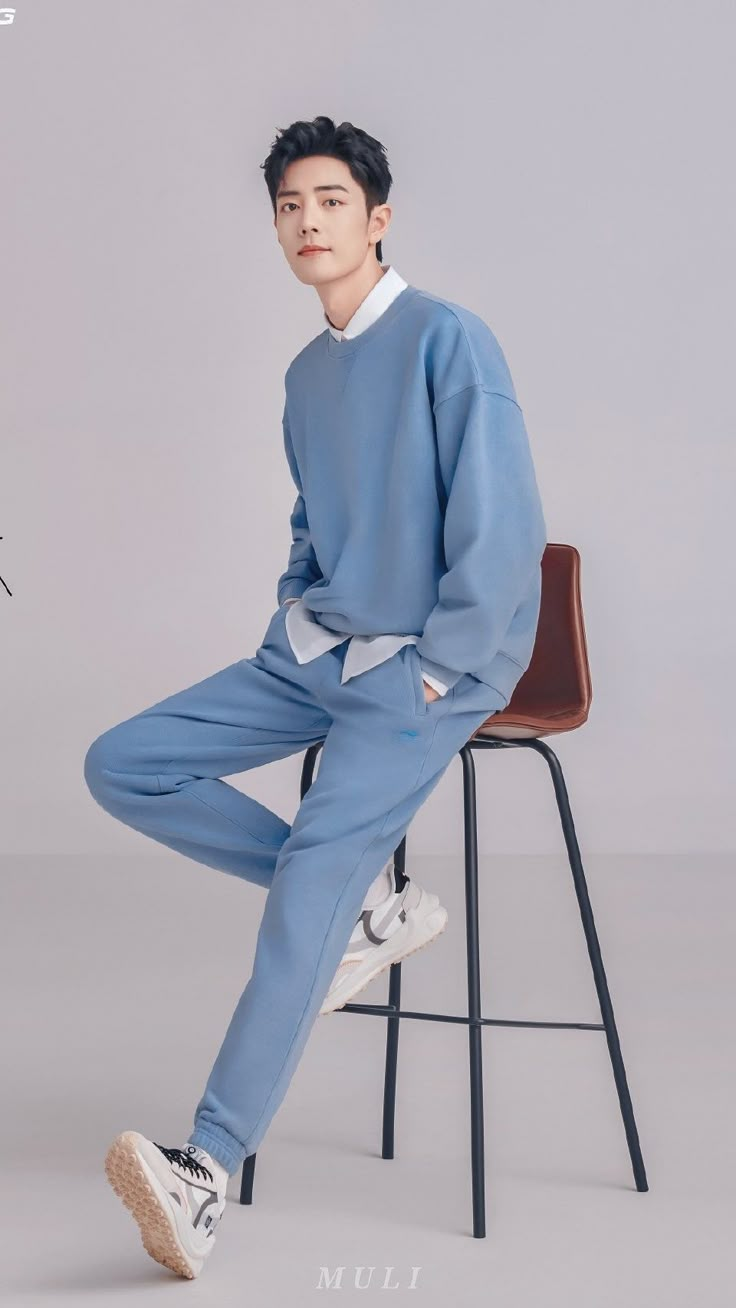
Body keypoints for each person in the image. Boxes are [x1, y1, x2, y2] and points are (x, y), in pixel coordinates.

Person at [84, 114, 547, 1279]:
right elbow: (312, 520)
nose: (308, 221)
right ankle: (364, 906)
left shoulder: (450, 341)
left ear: (377, 218)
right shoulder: (306, 374)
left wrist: (439, 665)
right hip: (326, 649)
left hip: (437, 666)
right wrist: (297, 607)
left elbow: (503, 536)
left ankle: (205, 1171)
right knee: (124, 761)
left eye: (331, 201)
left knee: (304, 897)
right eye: (291, 205)